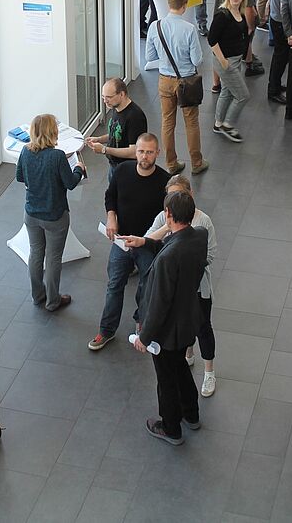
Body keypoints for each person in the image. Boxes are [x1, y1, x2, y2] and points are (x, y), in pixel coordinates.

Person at [129, 190, 208, 445]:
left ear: (168, 215)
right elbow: (173, 242)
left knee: (166, 379)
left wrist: (145, 336)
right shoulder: (199, 237)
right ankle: (191, 413)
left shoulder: (168, 259)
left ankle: (170, 427)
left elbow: (159, 303)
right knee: (180, 367)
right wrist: (145, 242)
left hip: (167, 331)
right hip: (188, 321)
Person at [88, 133, 170, 351]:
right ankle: (106, 331)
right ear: (136, 152)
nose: (144, 156)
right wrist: (111, 216)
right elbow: (110, 196)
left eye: (149, 152)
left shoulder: (165, 182)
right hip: (122, 241)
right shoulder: (122, 171)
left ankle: (140, 321)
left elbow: (168, 218)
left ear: (157, 153)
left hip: (147, 244)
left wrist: (148, 240)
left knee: (147, 285)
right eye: (141, 151)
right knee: (114, 285)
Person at [142, 175, 218, 397]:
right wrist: (167, 227)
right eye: (170, 196)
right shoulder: (165, 218)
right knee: (184, 328)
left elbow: (210, 254)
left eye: (178, 195)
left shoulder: (203, 222)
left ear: (190, 195)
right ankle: (188, 353)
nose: (173, 200)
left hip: (198, 289)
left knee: (203, 327)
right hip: (178, 291)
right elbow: (149, 239)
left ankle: (209, 372)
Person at [16, 114, 85, 311]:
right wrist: (79, 168)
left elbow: (20, 177)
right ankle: (53, 300)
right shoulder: (57, 156)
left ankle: (38, 296)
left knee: (35, 254)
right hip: (55, 215)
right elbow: (71, 184)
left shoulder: (25, 151)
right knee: (54, 258)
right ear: (52, 132)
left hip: (31, 213)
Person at [145, 0, 209, 175]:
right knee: (192, 123)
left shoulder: (155, 27)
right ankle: (197, 162)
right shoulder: (189, 29)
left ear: (168, 4)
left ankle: (171, 163)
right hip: (186, 82)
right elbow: (197, 60)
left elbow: (150, 55)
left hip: (164, 80)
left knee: (167, 122)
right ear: (185, 5)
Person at [207, 0, 251, 142]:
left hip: (235, 59)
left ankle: (218, 123)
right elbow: (212, 40)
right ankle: (228, 125)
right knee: (243, 96)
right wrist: (223, 61)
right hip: (226, 62)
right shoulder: (222, 14)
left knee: (226, 91)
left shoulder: (239, 13)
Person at [86, 79, 147, 179]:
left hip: (127, 171)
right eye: (103, 97)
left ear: (122, 94)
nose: (105, 101)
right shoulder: (116, 107)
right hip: (114, 166)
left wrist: (104, 150)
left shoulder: (135, 117)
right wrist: (98, 139)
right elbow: (117, 133)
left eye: (109, 97)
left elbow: (134, 152)